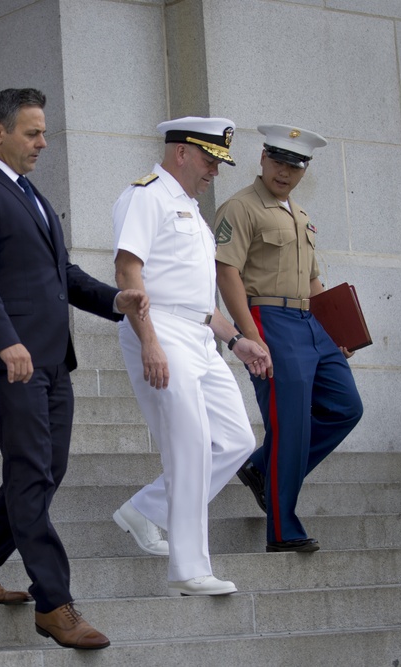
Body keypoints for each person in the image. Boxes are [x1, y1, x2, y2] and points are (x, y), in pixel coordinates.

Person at [0, 88, 149, 651]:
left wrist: (114, 300)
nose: (42, 143)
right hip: (7, 361)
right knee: (31, 471)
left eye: (44, 133)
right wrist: (5, 341)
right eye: (32, 132)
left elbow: (60, 272)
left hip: (52, 359)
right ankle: (54, 603)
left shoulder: (28, 193)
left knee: (43, 471)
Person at [112, 117, 271, 596]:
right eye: (209, 160)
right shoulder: (146, 195)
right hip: (159, 328)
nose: (214, 172)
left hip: (199, 335)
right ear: (181, 152)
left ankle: (144, 510)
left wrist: (235, 339)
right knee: (190, 445)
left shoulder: (191, 210)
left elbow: (198, 301)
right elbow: (127, 269)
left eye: (219, 163)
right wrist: (150, 342)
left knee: (237, 440)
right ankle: (188, 569)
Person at [214, 124, 364, 553]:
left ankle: (261, 468)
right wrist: (249, 334)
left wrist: (337, 332)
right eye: (278, 162)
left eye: (294, 166)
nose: (284, 172)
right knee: (290, 426)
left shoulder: (299, 215)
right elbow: (227, 273)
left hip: (310, 323)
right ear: (262, 158)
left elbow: (315, 280)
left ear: (304, 171)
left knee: (345, 408)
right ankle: (283, 530)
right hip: (270, 320)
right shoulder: (240, 207)